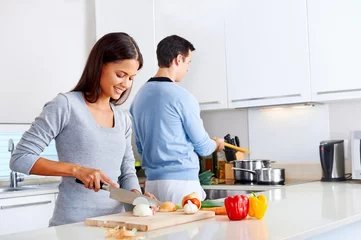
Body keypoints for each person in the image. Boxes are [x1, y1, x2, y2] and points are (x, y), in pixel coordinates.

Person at [10, 32, 153, 226]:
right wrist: (76, 170)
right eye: (120, 75)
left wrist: (137, 199)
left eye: (131, 78)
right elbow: (20, 158)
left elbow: (126, 172)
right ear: (100, 65)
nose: (126, 85)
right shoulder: (66, 105)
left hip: (116, 226)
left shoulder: (123, 118)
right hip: (73, 226)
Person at [130, 35, 224, 204]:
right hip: (182, 185)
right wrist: (216, 145)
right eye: (188, 62)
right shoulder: (182, 97)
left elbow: (140, 147)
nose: (187, 68)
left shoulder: (138, 98)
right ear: (178, 59)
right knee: (187, 230)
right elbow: (203, 147)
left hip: (152, 185)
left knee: (161, 230)